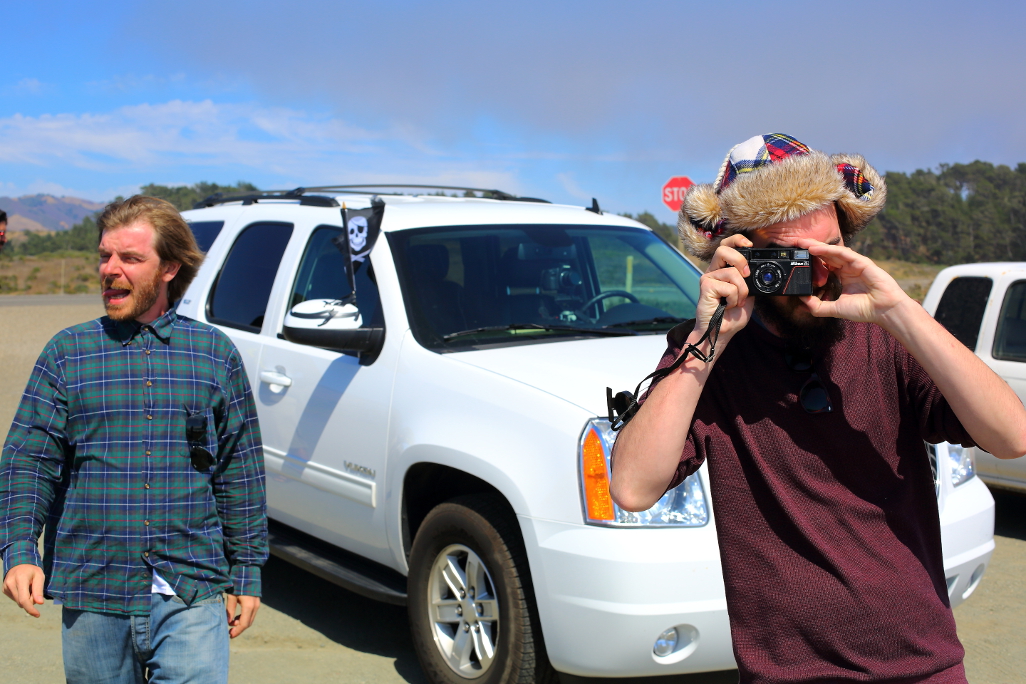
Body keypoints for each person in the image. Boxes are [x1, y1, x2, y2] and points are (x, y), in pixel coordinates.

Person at [610, 134, 1026, 684]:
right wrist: (708, 340)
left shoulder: (886, 335)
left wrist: (899, 309)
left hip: (924, 667)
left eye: (830, 248)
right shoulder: (710, 352)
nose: (819, 273)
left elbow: (1012, 436)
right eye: (791, 259)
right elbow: (633, 488)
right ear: (740, 256)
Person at [0, 196, 268, 684]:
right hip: (93, 590)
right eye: (105, 256)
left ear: (168, 267)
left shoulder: (214, 354)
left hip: (192, 587)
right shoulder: (67, 354)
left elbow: (239, 470)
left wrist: (246, 570)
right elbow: (28, 460)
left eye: (129, 258)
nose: (110, 269)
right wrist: (19, 548)